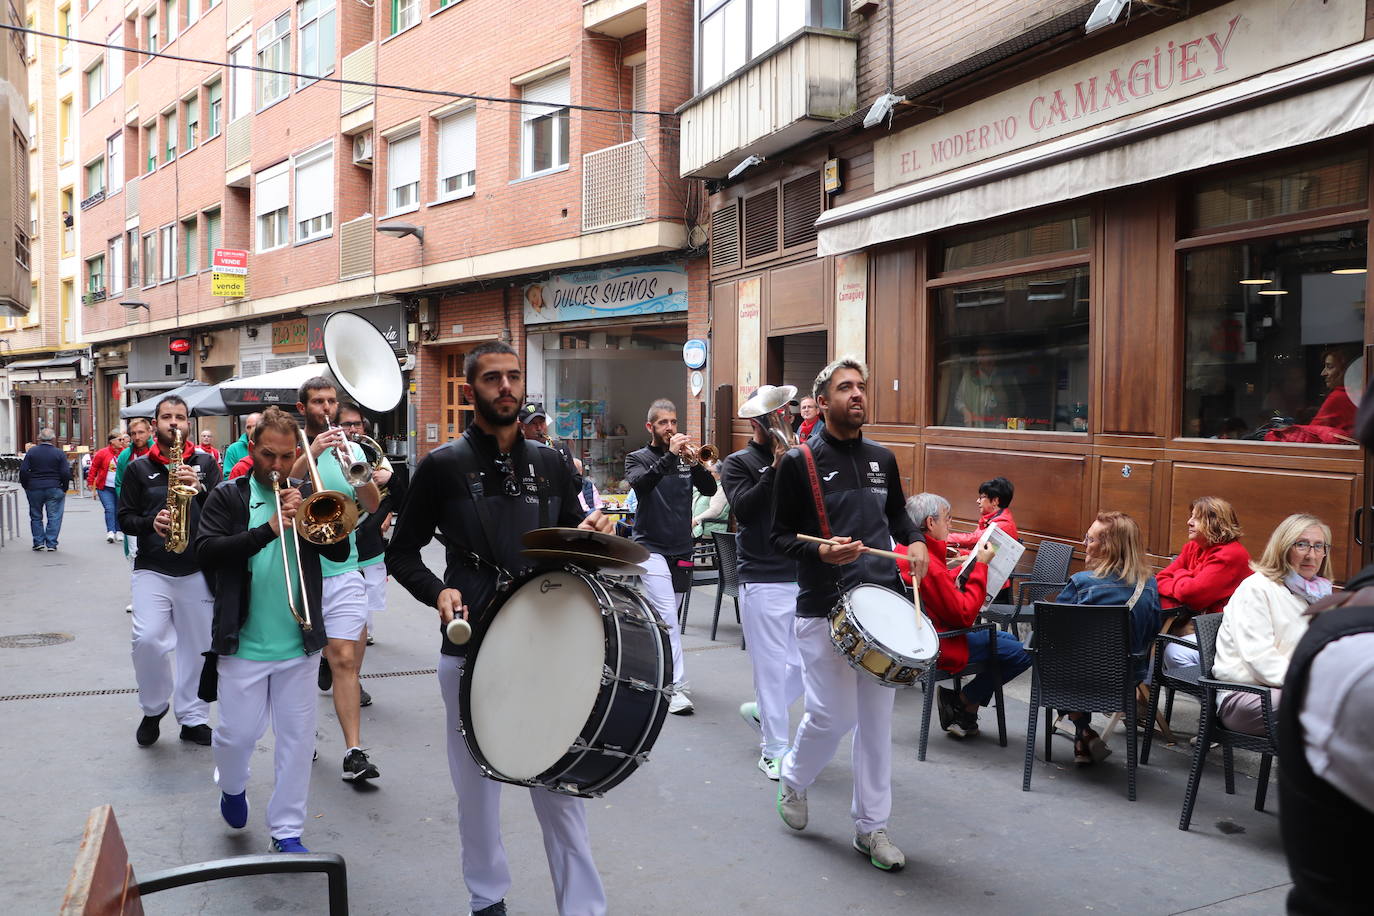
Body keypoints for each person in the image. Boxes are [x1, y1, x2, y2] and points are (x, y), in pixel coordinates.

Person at [387, 340, 614, 916]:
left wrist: (587, 532)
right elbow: (402, 553)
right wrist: (437, 592)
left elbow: (565, 542)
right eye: (493, 379)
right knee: (477, 794)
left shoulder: (552, 462)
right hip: (470, 649)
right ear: (470, 392)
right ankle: (487, 898)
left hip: (545, 644)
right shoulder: (440, 467)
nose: (506, 387)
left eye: (513, 377)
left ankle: (582, 908)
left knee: (560, 786)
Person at [770, 356, 929, 872]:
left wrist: (916, 541)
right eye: (845, 387)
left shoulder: (884, 458)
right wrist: (820, 552)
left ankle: (871, 827)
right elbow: (776, 536)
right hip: (824, 607)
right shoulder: (800, 462)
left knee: (876, 725)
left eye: (861, 386)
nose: (857, 394)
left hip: (881, 606)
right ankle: (793, 779)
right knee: (832, 716)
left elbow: (898, 515)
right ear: (823, 400)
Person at [195, 407, 348, 855]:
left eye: (286, 456)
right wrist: (268, 529)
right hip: (242, 645)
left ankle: (286, 831)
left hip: (297, 644)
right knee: (235, 737)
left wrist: (315, 523)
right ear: (252, 451)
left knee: (297, 744)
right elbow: (206, 551)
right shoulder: (229, 496)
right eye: (268, 455)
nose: (277, 466)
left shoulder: (306, 495)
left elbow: (338, 556)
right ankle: (234, 786)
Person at [117, 396, 223, 747]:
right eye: (166, 417)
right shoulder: (137, 468)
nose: (173, 423)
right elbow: (124, 518)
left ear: (188, 423)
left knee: (198, 647)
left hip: (196, 567)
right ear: (154, 423)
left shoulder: (206, 463)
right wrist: (152, 522)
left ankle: (193, 718)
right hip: (153, 567)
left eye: (180, 417)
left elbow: (224, 516)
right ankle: (153, 707)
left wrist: (201, 487)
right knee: (146, 639)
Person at [291, 378, 383, 782]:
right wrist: (310, 453)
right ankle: (302, 738)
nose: (326, 408)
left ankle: (354, 752)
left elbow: (372, 505)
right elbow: (284, 487)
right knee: (303, 665)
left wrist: (359, 473)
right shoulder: (291, 445)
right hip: (301, 567)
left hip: (344, 563)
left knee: (345, 660)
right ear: (303, 407)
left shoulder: (353, 450)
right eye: (317, 401)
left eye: (331, 401)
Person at [906, 492, 1032, 739]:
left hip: (928, 633)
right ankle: (964, 701)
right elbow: (964, 615)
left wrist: (958, 571)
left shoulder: (910, 551)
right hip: (943, 641)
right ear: (930, 523)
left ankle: (964, 706)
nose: (950, 524)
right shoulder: (928, 561)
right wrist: (981, 566)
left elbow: (939, 593)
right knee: (1023, 652)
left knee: (1011, 645)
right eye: (947, 518)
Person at [720, 405, 802, 780]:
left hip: (800, 572)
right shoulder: (738, 462)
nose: (786, 423)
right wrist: (774, 468)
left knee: (804, 666)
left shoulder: (798, 457)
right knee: (769, 670)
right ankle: (773, 750)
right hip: (762, 575)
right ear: (757, 423)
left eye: (788, 416)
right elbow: (746, 510)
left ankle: (765, 712)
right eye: (776, 419)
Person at [625, 398, 718, 715]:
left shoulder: (685, 460)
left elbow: (707, 490)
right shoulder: (636, 458)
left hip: (681, 547)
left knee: (668, 621)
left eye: (674, 422)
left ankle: (651, 671)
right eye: (663, 423)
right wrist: (669, 456)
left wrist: (695, 463)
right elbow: (642, 486)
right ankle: (675, 688)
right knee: (666, 617)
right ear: (650, 427)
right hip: (649, 548)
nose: (670, 428)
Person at [1056, 511, 1161, 764]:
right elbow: (1151, 632)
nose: (1085, 544)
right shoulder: (1149, 585)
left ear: (1109, 548)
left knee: (1059, 660)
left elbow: (1053, 634)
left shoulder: (1081, 583)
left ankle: (1083, 730)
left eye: (1090, 539)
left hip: (1073, 679)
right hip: (1125, 680)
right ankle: (1083, 736)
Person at [1211, 514, 1328, 735]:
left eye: (1318, 546)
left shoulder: (1316, 593)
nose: (1311, 555)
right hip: (1248, 695)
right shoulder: (1257, 588)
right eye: (1302, 545)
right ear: (1282, 547)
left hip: (1291, 690)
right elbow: (1260, 659)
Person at [1155, 496, 1251, 674]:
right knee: (1152, 636)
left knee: (1174, 653)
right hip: (1197, 622)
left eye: (1196, 518)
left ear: (1215, 523)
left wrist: (1182, 575)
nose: (1189, 522)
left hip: (1224, 632)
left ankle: (1211, 697)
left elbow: (1193, 595)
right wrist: (1187, 578)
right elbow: (1160, 579)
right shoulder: (1193, 547)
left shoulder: (1231, 554)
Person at [336, 403, 395, 647]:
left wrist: (391, 478)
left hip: (367, 529)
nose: (352, 429)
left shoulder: (373, 453)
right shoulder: (327, 450)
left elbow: (390, 494)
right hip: (338, 530)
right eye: (346, 424)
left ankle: (363, 630)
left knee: (367, 586)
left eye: (356, 424)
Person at [1265, 346, 1359, 443]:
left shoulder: (1338, 397)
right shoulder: (1357, 394)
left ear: (1345, 370)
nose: (1323, 373)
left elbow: (1309, 436)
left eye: (1330, 367)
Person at [19, 429, 70, 551]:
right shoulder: (59, 453)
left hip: (34, 487)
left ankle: (38, 542)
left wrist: (26, 485)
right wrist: (64, 487)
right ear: (53, 439)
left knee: (36, 515)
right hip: (54, 486)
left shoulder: (32, 452)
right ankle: (51, 543)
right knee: (54, 516)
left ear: (39, 438)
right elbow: (65, 472)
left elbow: (23, 471)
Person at [950, 344, 1023, 428]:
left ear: (995, 357)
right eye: (979, 356)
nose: (980, 360)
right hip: (976, 429)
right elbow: (958, 400)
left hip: (1001, 429)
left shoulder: (1007, 378)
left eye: (985, 356)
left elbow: (1019, 404)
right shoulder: (969, 377)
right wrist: (966, 412)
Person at [945, 476, 1018, 559]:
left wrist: (944, 538)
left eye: (981, 497)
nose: (978, 501)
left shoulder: (1003, 524)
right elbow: (978, 549)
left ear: (995, 501)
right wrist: (959, 552)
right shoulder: (992, 519)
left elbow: (975, 539)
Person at [88, 429, 129, 543]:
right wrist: (90, 482)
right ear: (112, 441)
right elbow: (94, 468)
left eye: (123, 439)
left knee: (119, 509)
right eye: (119, 439)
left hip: (120, 486)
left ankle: (119, 530)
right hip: (105, 487)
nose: (122, 441)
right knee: (109, 508)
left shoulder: (125, 452)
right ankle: (110, 531)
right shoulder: (102, 453)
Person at [690, 461, 730, 539]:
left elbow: (715, 510)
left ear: (719, 474)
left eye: (710, 472)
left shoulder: (721, 488)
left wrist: (695, 521)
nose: (707, 475)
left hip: (710, 531)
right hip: (698, 528)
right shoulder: (702, 486)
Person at [114, 418, 153, 493]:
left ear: (149, 432)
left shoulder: (159, 452)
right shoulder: (124, 455)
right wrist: (124, 500)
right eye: (133, 433)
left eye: (141, 432)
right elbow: (119, 483)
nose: (137, 437)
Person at [221, 412, 261, 478]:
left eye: (255, 426)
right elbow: (227, 477)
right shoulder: (233, 449)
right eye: (248, 427)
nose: (251, 430)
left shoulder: (273, 447)